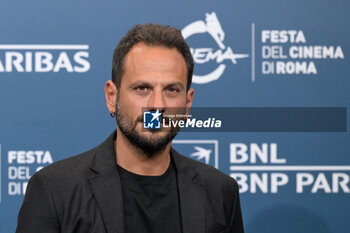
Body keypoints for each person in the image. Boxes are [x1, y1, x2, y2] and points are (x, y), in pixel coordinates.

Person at [16, 23, 244, 233]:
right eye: (142, 88)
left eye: (172, 90)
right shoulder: (55, 190)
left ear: (188, 102)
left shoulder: (221, 192)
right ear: (111, 96)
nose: (157, 106)